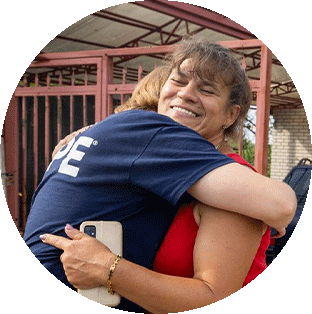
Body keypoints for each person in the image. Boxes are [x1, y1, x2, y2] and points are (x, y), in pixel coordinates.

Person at [26, 37, 296, 313]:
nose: (185, 94)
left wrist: (109, 269)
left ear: (231, 115)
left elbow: (214, 294)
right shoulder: (159, 162)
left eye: (207, 89)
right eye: (178, 81)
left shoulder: (236, 190)